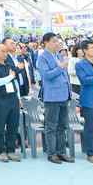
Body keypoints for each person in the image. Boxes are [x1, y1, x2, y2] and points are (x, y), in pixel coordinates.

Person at [37, 32, 74, 164]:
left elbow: (65, 76)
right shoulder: (42, 57)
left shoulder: (59, 55)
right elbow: (46, 75)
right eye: (54, 41)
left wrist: (69, 93)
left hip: (64, 94)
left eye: (57, 41)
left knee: (62, 126)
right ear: (46, 43)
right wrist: (59, 67)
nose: (57, 43)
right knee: (51, 126)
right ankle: (51, 153)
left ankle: (61, 152)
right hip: (52, 96)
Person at [0, 42, 22, 163]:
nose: (5, 54)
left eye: (6, 51)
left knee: (13, 126)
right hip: (1, 99)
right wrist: (11, 76)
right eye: (2, 51)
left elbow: (15, 82)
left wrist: (18, 98)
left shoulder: (10, 65)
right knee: (1, 126)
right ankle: (1, 151)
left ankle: (11, 150)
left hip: (13, 98)